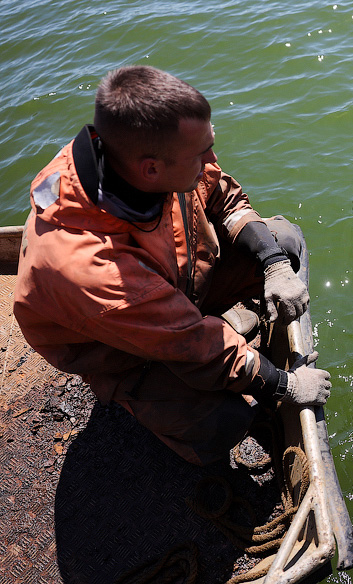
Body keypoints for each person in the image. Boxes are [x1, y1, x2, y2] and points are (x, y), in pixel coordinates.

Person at [13, 65, 332, 466]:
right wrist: (285, 385)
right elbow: (196, 347)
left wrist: (273, 265)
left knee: (283, 241)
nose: (211, 159)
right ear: (152, 169)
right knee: (223, 421)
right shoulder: (94, 269)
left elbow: (224, 198)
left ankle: (224, 320)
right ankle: (142, 397)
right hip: (120, 347)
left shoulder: (145, 161)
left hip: (172, 290)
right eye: (202, 153)